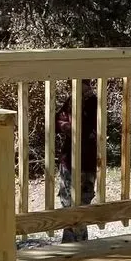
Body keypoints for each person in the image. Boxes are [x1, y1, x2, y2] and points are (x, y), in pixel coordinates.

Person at [54, 91, 99, 243]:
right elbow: (57, 121)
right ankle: (73, 243)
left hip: (87, 163)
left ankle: (76, 244)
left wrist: (76, 129)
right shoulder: (71, 100)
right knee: (67, 202)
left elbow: (92, 129)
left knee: (82, 204)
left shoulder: (94, 103)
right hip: (68, 161)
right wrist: (67, 127)